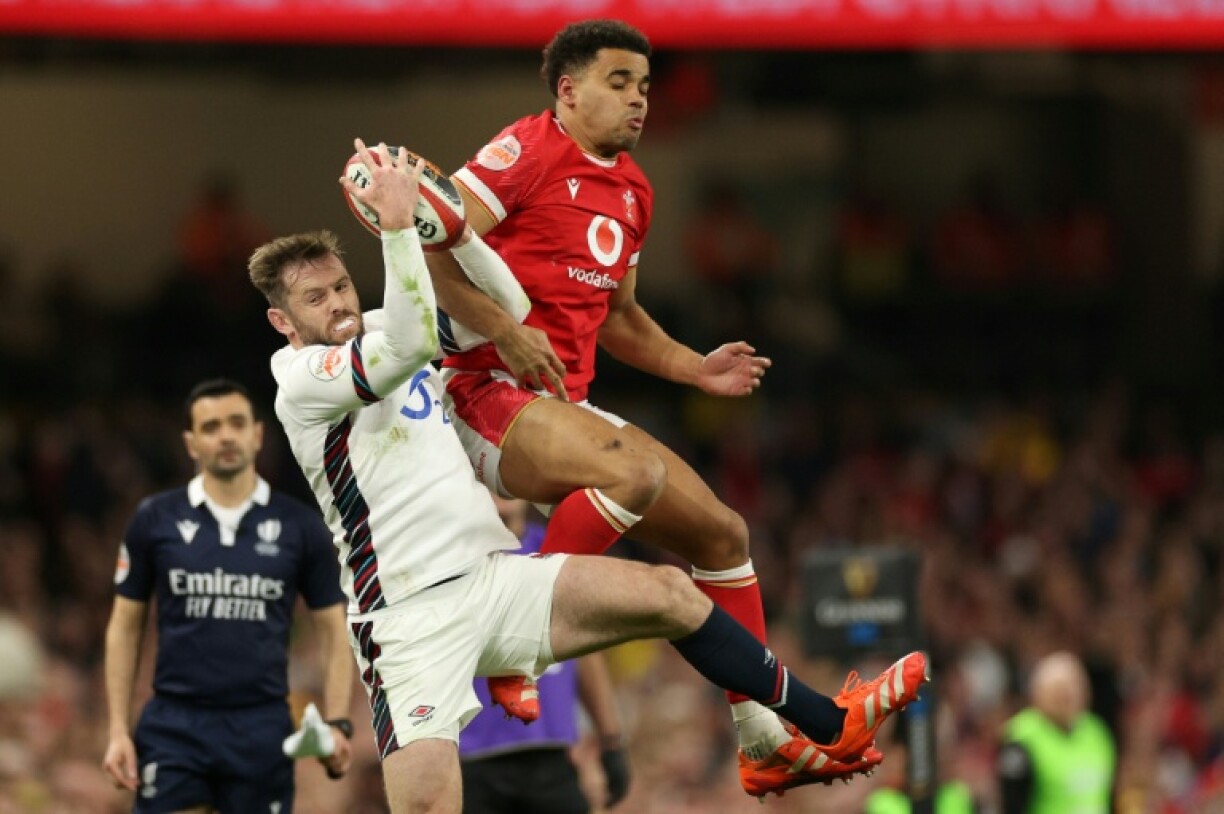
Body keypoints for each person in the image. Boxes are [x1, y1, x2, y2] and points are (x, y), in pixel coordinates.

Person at [246, 139, 927, 811]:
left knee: (672, 594)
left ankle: (825, 724)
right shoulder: (299, 379)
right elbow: (410, 342)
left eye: (340, 285)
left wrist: (448, 227)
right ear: (283, 320)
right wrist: (398, 227)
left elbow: (508, 307)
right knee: (429, 807)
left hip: (494, 579)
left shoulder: (382, 322)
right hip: (408, 618)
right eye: (315, 298)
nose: (336, 303)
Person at [417, 18, 845, 796]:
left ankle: (758, 734)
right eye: (619, 83)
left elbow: (619, 320)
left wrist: (695, 368)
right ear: (568, 89)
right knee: (635, 475)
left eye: (645, 87)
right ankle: (519, 645)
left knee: (722, 534)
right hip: (481, 393)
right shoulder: (524, 150)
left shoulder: (634, 191)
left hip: (562, 407)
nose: (638, 102)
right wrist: (506, 334)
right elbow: (430, 253)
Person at [102, 378, 354, 813]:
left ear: (257, 434)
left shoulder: (301, 527)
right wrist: (118, 730)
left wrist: (339, 721)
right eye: (211, 426)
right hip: (174, 724)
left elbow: (333, 628)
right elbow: (125, 626)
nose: (225, 436)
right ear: (191, 443)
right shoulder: (153, 520)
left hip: (262, 725)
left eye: (237, 423)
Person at [460, 495, 630, 814]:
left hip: (553, 758)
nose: (500, 489)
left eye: (506, 476)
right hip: (471, 760)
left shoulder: (561, 558)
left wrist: (611, 740)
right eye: (488, 475)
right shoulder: (453, 560)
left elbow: (586, 654)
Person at [996, 651, 1116, 814]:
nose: (1070, 696)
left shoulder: (1097, 732)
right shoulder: (1022, 737)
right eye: (1060, 690)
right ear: (1039, 694)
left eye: (1076, 687)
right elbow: (1012, 804)